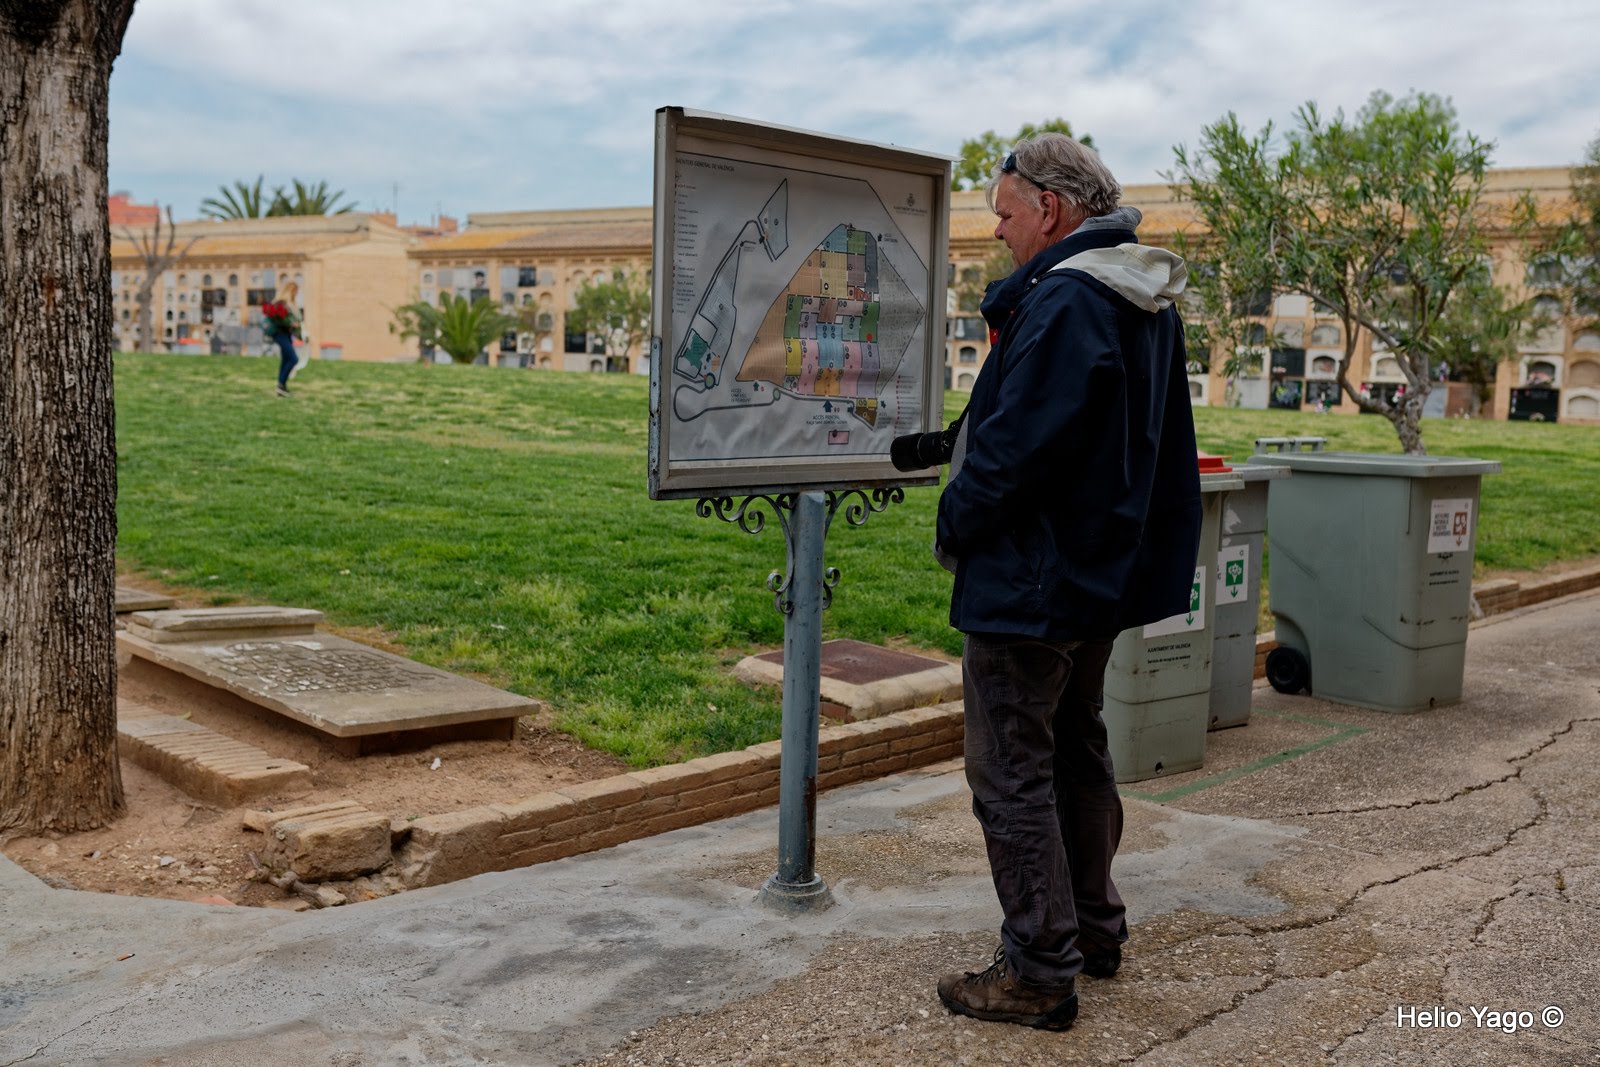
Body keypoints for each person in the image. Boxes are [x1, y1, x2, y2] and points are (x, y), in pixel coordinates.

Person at [913, 133, 1202, 1030]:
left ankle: (1040, 968)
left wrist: (953, 521)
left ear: (1051, 207)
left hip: (1035, 582)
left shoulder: (1069, 299)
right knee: (1075, 745)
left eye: (1003, 213)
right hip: (1094, 578)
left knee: (1010, 769)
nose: (996, 232)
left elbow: (1015, 452)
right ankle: (1092, 928)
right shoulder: (1135, 293)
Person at [265, 281, 305, 396]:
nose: (297, 294)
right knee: (293, 359)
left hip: (287, 334)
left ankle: (282, 387)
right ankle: (280, 385)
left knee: (286, 359)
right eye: (296, 292)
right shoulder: (280, 303)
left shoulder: (291, 304)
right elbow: (279, 319)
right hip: (280, 334)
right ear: (291, 291)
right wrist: (291, 324)